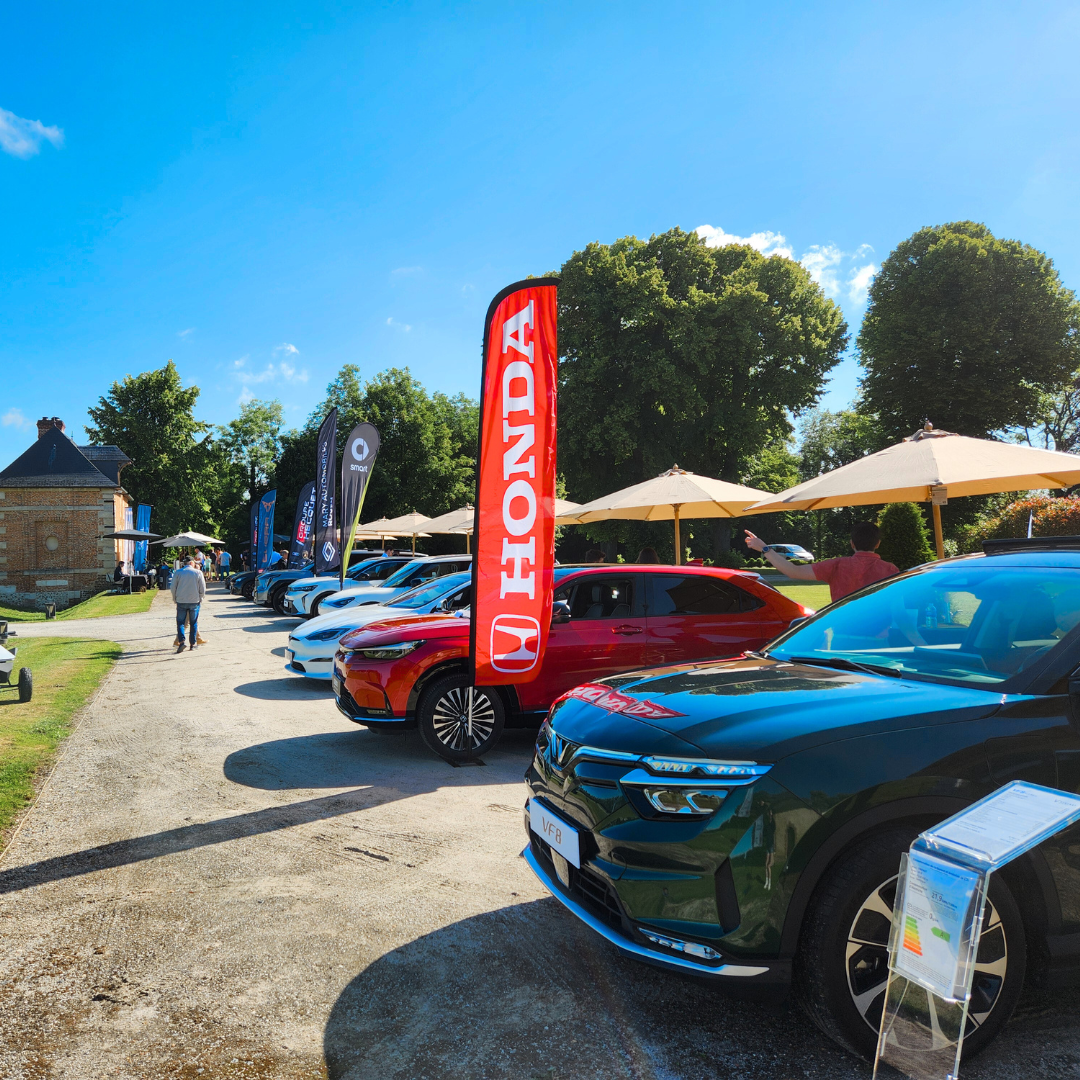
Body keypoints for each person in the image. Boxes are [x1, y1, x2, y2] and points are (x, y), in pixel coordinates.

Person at [744, 522, 899, 603]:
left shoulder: (837, 565)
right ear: (877, 543)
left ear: (852, 543)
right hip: (880, 642)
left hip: (841, 637)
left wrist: (764, 548)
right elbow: (899, 610)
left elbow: (793, 571)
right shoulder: (891, 571)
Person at [170, 556, 206, 653]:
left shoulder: (178, 573)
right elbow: (202, 588)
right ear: (191, 563)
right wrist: (201, 597)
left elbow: (173, 587)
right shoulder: (198, 573)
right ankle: (193, 644)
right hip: (194, 600)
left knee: (180, 622)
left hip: (181, 600)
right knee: (193, 622)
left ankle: (181, 641)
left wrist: (174, 598)